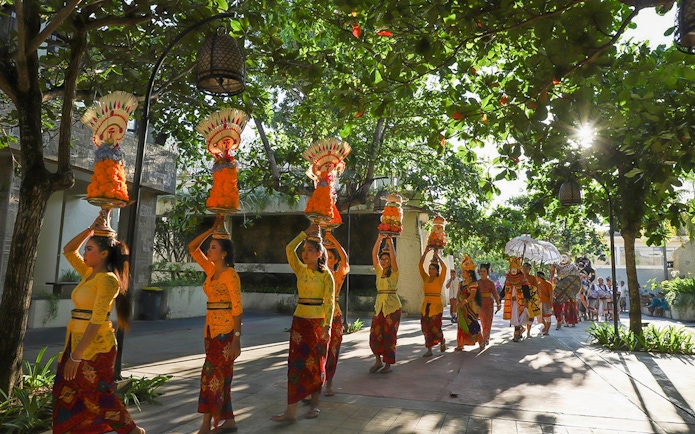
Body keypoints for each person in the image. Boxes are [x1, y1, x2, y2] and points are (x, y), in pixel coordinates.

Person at [52, 213, 145, 434]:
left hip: (95, 348)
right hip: (74, 343)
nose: (85, 252)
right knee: (66, 392)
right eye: (86, 249)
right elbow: (68, 250)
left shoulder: (108, 280)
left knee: (97, 395)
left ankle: (132, 430)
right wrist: (89, 230)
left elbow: (96, 320)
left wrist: (77, 356)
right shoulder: (88, 273)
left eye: (90, 249)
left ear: (104, 254)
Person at [272, 224, 335, 422]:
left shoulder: (327, 276)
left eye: (309, 250)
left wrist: (327, 326)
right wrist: (304, 233)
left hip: (318, 323)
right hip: (300, 321)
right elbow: (289, 249)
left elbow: (330, 301)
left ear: (319, 254)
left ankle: (315, 405)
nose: (304, 253)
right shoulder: (300, 270)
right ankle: (291, 411)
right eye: (304, 250)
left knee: (315, 365)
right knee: (295, 365)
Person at [188, 215, 242, 434]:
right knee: (218, 378)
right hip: (210, 331)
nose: (209, 251)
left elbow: (237, 309)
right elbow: (192, 248)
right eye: (209, 247)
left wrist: (236, 339)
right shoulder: (211, 271)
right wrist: (212, 228)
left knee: (212, 378)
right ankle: (228, 421)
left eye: (213, 247)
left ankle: (207, 426)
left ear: (224, 253)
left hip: (226, 333)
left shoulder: (231, 275)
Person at [369, 233, 401, 374]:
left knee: (390, 336)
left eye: (386, 259)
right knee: (375, 334)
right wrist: (380, 237)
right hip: (379, 307)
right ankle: (378, 361)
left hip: (392, 307)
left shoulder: (394, 272)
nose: (383, 261)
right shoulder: (378, 271)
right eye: (382, 259)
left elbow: (393, 258)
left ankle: (388, 364)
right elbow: (374, 253)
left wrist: (390, 242)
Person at [323, 230, 350, 397]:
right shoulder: (319, 274)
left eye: (331, 257)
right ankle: (313, 387)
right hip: (319, 315)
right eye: (325, 257)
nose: (328, 260)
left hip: (335, 315)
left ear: (335, 260)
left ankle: (329, 383)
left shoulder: (338, 273)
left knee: (332, 350)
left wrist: (332, 238)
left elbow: (345, 258)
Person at [418, 246, 447, 357]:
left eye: (433, 269)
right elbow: (420, 266)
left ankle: (441, 339)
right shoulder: (426, 278)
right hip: (425, 306)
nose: (430, 271)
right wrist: (425, 253)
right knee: (425, 327)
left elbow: (444, 268)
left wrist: (437, 257)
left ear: (437, 271)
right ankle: (429, 349)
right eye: (430, 269)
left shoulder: (440, 279)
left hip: (436, 306)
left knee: (435, 327)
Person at [455, 255, 484, 351]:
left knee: (472, 324)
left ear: (470, 273)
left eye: (464, 272)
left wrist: (464, 302)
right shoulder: (461, 283)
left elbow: (472, 296)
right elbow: (458, 294)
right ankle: (460, 344)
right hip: (462, 307)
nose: (462, 273)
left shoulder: (473, 284)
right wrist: (457, 301)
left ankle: (481, 340)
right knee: (461, 324)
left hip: (470, 307)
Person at [503, 257, 531, 342]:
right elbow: (504, 289)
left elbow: (526, 290)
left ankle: (516, 335)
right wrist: (500, 297)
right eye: (512, 268)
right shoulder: (508, 278)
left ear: (518, 269)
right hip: (511, 302)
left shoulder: (522, 278)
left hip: (520, 302)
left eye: (515, 268)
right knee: (514, 319)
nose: (513, 270)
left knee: (517, 319)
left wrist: (526, 300)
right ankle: (519, 331)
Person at [477, 263, 500, 346]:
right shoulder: (477, 283)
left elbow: (495, 294)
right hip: (480, 304)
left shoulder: (491, 283)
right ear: (479, 272)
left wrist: (498, 303)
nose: (482, 272)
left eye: (484, 271)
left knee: (488, 322)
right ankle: (483, 337)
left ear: (487, 273)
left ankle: (486, 338)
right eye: (481, 271)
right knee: (483, 321)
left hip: (489, 304)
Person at [521, 263, 541, 338]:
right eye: (524, 267)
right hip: (521, 299)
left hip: (531, 299)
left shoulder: (532, 278)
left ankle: (528, 332)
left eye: (527, 268)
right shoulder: (519, 277)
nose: (525, 269)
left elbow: (536, 288)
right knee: (521, 315)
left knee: (530, 315)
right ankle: (520, 329)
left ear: (529, 269)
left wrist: (538, 298)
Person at [536, 271, 554, 335]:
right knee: (539, 317)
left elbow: (551, 294)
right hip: (540, 302)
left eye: (537, 276)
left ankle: (547, 331)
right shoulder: (538, 284)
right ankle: (546, 326)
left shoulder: (548, 284)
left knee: (547, 317)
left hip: (547, 302)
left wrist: (551, 302)